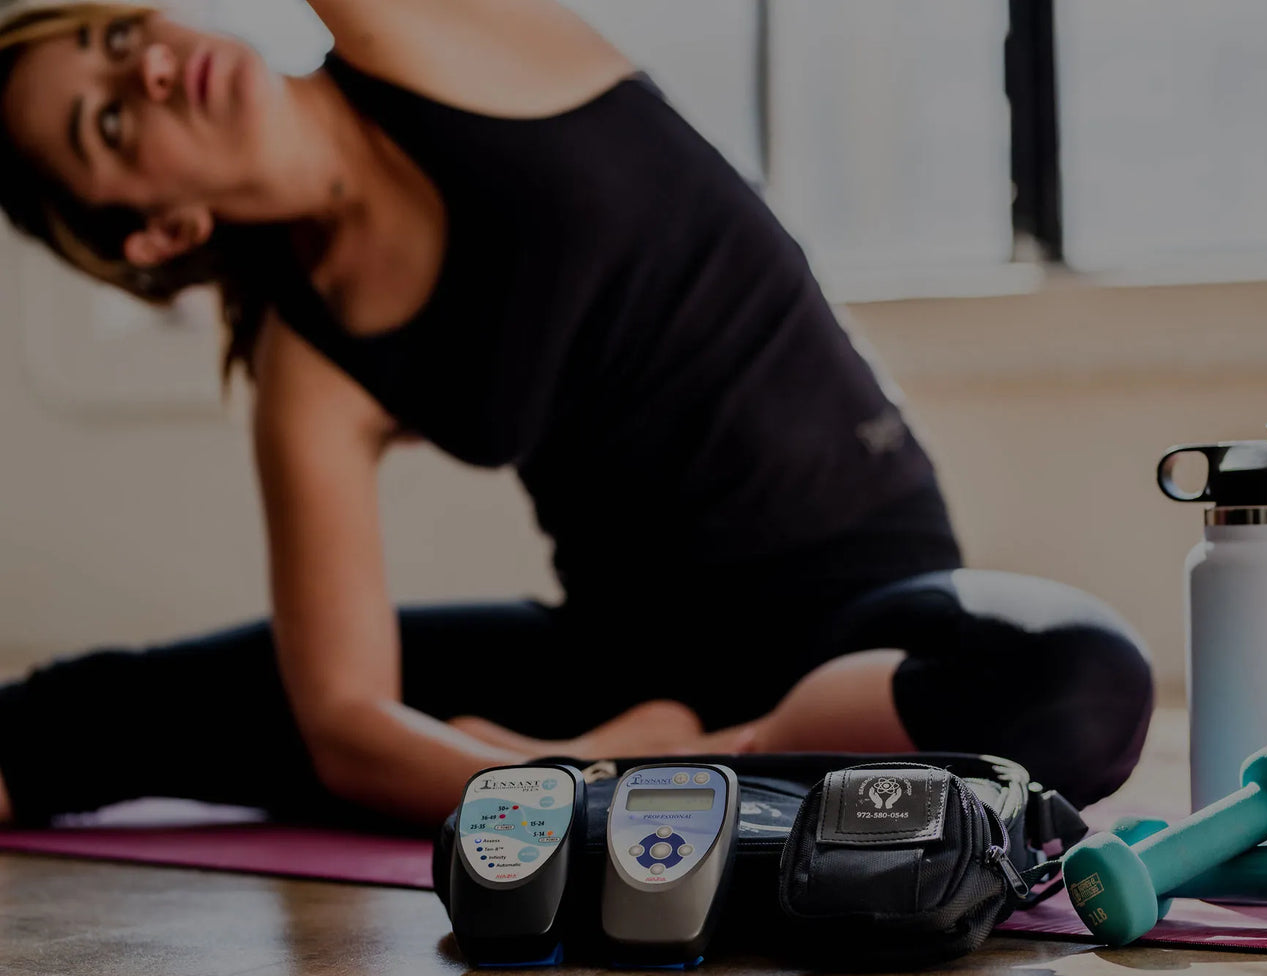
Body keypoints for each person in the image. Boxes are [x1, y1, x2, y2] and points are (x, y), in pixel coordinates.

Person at [0, 0, 1153, 831]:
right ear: (160, 231)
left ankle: (720, 767)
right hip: (627, 665)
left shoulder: (416, 32)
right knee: (110, 715)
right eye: (109, 124)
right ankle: (690, 781)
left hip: (866, 620)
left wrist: (560, 774)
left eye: (119, 36)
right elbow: (346, 721)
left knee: (1077, 686)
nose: (152, 71)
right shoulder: (309, 363)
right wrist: (568, 769)